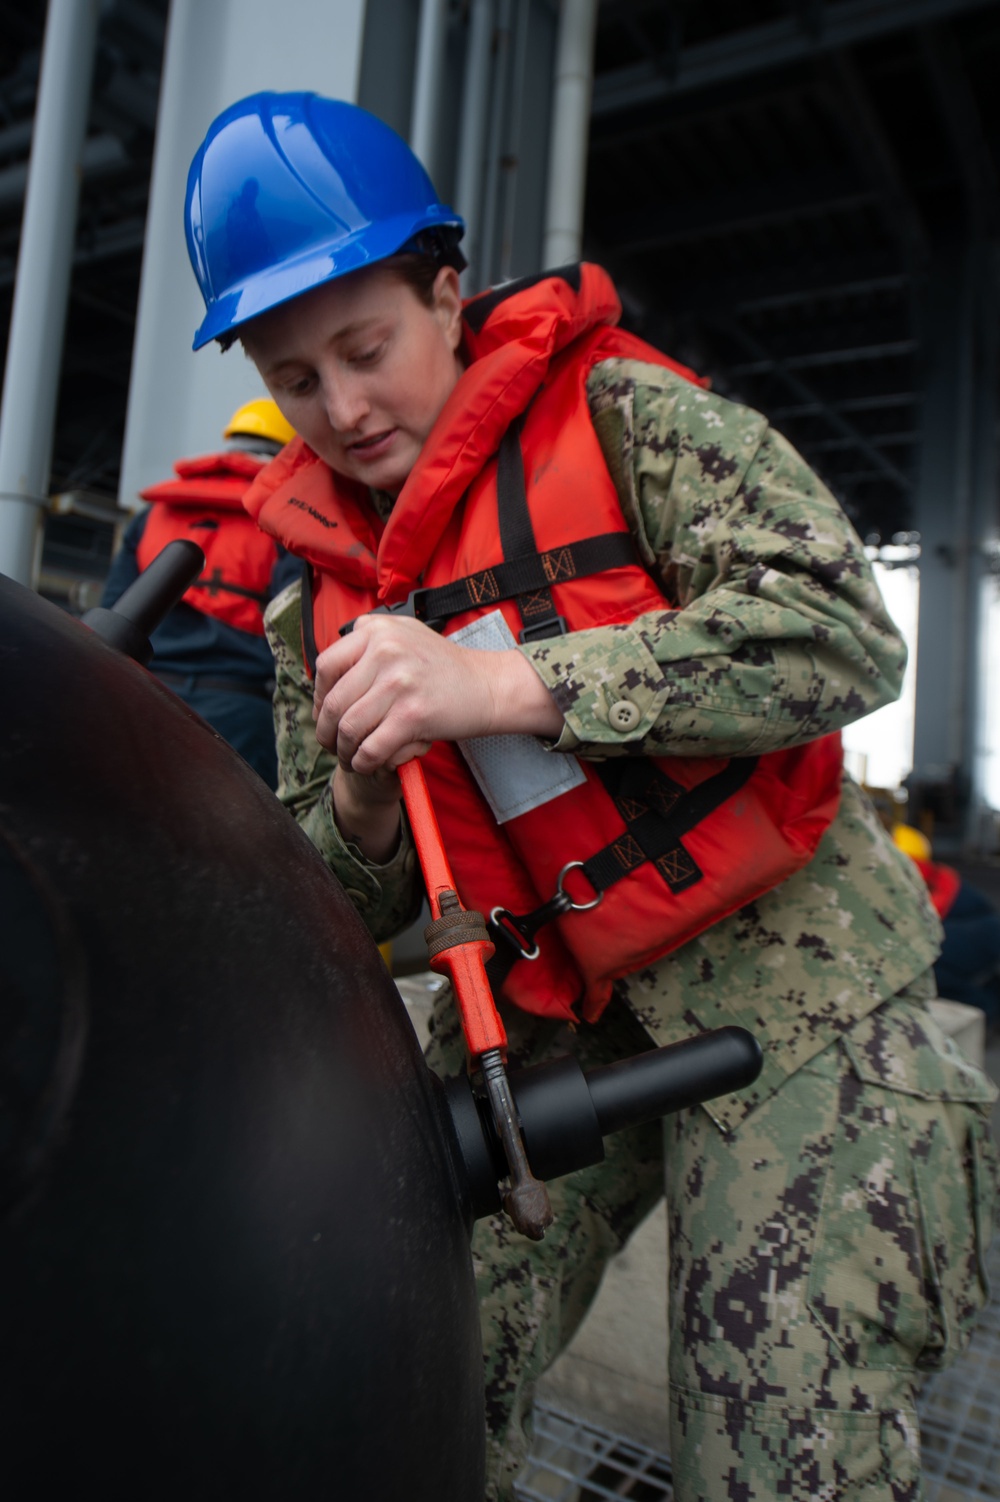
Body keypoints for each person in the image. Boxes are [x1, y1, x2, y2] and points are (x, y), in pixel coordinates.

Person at [185, 92, 999, 1502]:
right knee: (383, 1363)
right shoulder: (309, 593)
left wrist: (504, 685)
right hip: (541, 1014)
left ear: (447, 294)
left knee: (778, 1440)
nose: (345, 407)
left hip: (795, 975)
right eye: (297, 377)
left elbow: (842, 630)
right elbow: (344, 895)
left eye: (366, 349)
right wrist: (369, 798)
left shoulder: (623, 416)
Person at [102, 399, 301, 787]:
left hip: (143, 700)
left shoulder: (152, 516)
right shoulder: (285, 518)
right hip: (239, 716)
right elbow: (297, 637)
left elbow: (110, 616)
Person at [892, 823, 1000, 1028]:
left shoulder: (911, 878)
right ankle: (987, 1005)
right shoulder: (936, 878)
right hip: (983, 931)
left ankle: (987, 1008)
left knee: (925, 965)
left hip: (985, 933)